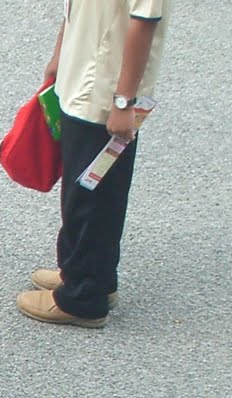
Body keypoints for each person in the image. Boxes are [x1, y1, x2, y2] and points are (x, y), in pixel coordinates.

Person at [17, 0, 171, 327]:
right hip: (82, 78)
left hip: (103, 93)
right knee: (82, 192)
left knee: (92, 199)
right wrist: (60, 57)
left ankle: (83, 297)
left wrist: (123, 101)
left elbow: (144, 20)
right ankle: (88, 273)